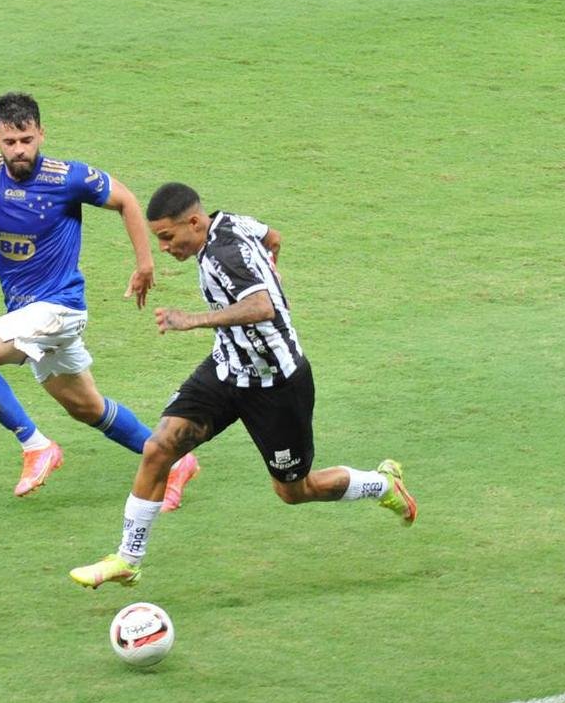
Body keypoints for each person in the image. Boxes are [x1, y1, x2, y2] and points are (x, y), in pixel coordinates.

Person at [69, 182, 416, 588]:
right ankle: (128, 559)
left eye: (167, 237)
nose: (163, 247)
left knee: (293, 491)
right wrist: (272, 271)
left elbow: (262, 306)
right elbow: (273, 237)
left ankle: (382, 484)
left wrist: (192, 320)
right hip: (227, 369)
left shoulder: (223, 255)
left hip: (276, 385)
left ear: (194, 223)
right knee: (158, 448)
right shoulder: (229, 221)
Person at [0, 93, 199, 499]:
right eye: (10, 142)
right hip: (30, 314)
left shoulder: (66, 177)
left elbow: (126, 200)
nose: (19, 150)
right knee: (86, 407)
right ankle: (175, 461)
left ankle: (36, 446)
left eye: (27, 140)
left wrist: (144, 265)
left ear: (41, 134)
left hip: (58, 308)